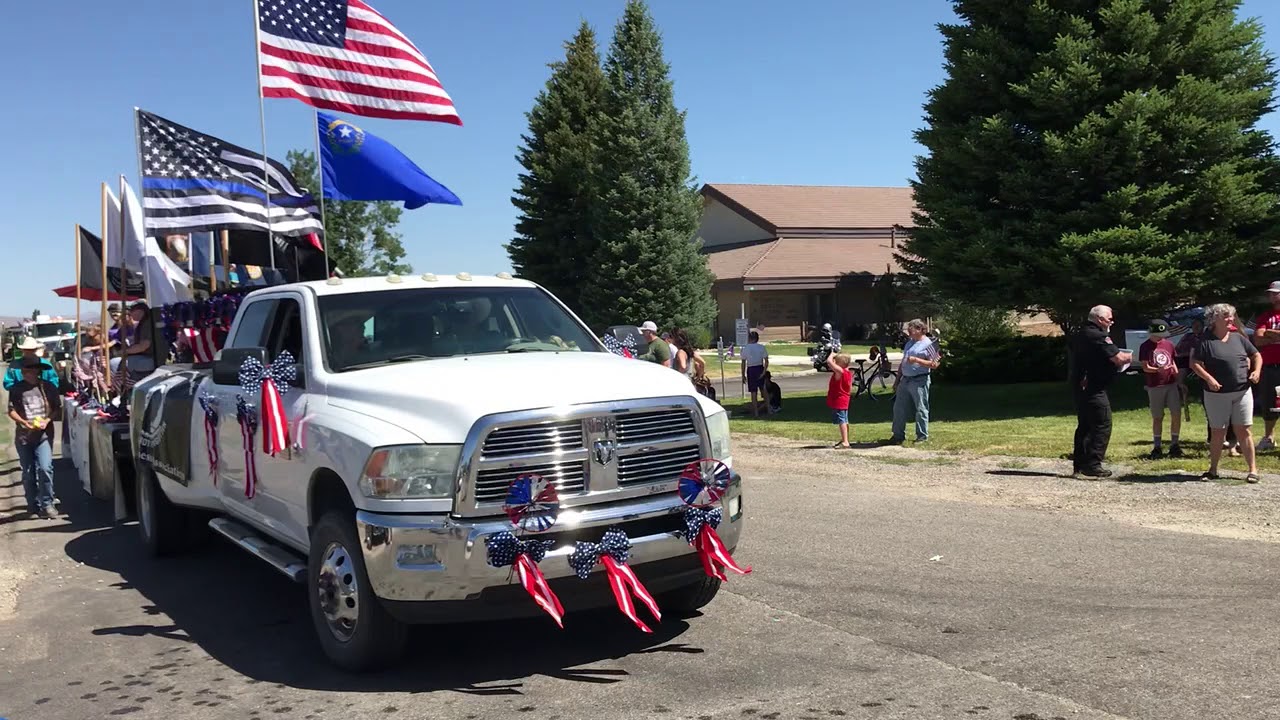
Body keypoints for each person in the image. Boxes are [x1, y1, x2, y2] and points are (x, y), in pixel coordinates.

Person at [1190, 303, 1261, 483]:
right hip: (1216, 394)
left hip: (1242, 391)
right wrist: (1209, 379)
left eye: (1231, 316)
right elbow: (1195, 363)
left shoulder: (1238, 338)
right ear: (1215, 320)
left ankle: (1253, 470)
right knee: (1218, 432)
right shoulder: (1205, 341)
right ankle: (1213, 469)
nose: (1231, 319)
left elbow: (1256, 355)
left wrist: (1256, 371)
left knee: (1243, 429)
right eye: (1226, 316)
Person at [1070, 305, 1133, 478]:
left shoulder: (1081, 333)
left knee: (1085, 425)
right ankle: (1093, 464)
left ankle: (1079, 464)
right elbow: (1118, 358)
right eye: (1109, 319)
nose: (1112, 322)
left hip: (1081, 385)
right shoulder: (1098, 336)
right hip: (1094, 388)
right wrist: (1130, 357)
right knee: (1102, 424)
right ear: (1099, 319)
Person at [9, 356, 62, 518]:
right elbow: (11, 410)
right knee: (28, 471)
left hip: (44, 435)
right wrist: (24, 422)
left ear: (37, 371)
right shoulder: (16, 389)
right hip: (24, 436)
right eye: (25, 370)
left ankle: (47, 503)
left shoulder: (48, 387)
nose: (27, 372)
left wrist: (47, 420)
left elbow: (56, 408)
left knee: (45, 468)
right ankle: (32, 503)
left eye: (30, 369)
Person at [891, 319, 940, 444]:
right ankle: (898, 435)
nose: (909, 332)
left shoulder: (929, 344)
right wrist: (897, 381)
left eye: (911, 330)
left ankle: (922, 436)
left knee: (921, 408)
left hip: (919, 380)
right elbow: (903, 362)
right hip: (905, 379)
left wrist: (917, 360)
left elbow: (934, 364)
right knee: (898, 408)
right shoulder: (910, 343)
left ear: (919, 329)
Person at [1139, 319, 1182, 458]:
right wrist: (1158, 369)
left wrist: (1177, 377)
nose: (1161, 337)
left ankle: (1174, 444)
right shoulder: (1145, 346)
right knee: (1158, 417)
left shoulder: (1168, 344)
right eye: (1158, 334)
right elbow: (1145, 367)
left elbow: (1172, 361)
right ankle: (1157, 446)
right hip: (1155, 386)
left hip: (1171, 384)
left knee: (1176, 413)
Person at [1251, 281, 1280, 451]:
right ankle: (1269, 437)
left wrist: (1270, 333)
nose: (1271, 295)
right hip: (1269, 365)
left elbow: (1265, 335)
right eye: (1270, 293)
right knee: (1270, 401)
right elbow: (1258, 339)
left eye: (1275, 293)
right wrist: (1273, 336)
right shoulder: (1265, 316)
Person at [826, 353, 853, 448]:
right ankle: (845, 439)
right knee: (845, 420)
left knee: (841, 420)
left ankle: (845, 441)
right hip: (845, 399)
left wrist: (831, 355)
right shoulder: (847, 372)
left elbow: (829, 362)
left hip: (839, 399)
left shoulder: (840, 372)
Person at [740, 331, 769, 418]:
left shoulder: (745, 348)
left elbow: (743, 362)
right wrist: (764, 372)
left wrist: (743, 374)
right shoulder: (761, 347)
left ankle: (756, 412)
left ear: (750, 338)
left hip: (751, 369)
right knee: (763, 390)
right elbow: (766, 361)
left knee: (753, 392)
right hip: (759, 368)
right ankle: (769, 409)